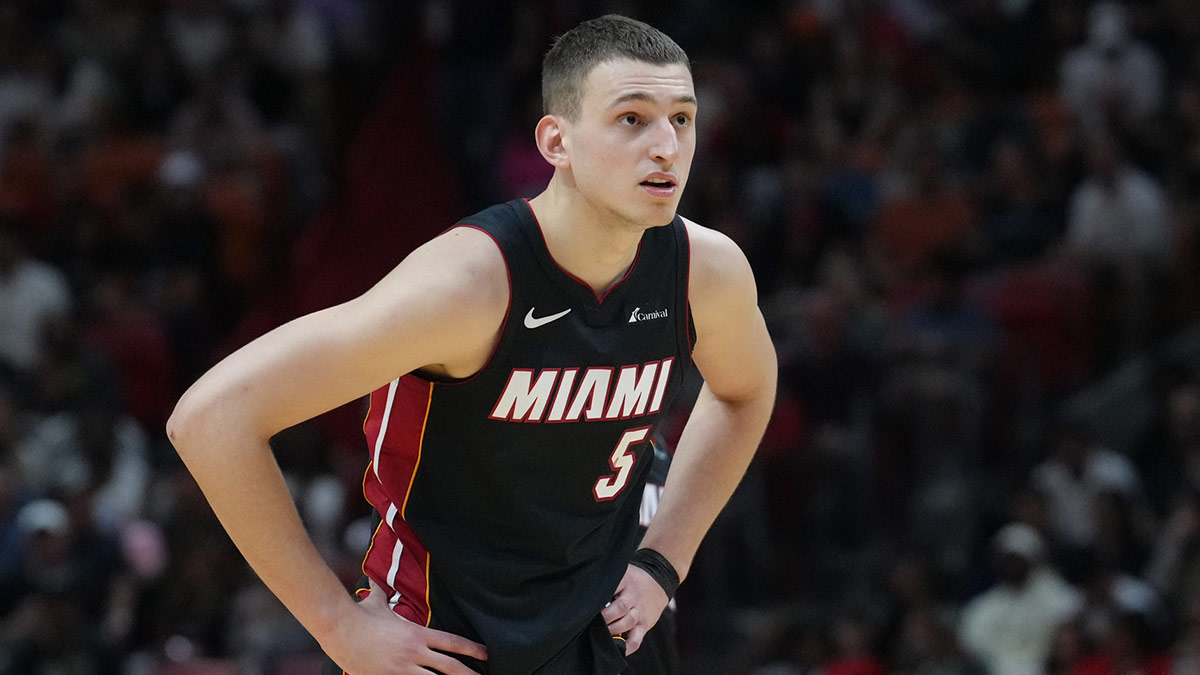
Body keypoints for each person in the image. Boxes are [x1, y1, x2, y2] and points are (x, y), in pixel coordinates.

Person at [166, 14, 776, 675]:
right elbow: (211, 417)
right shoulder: (468, 287)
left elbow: (745, 392)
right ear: (556, 141)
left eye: (681, 119)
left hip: (613, 622)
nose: (666, 145)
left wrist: (664, 559)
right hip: (451, 636)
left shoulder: (704, 271)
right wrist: (336, 623)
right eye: (632, 118)